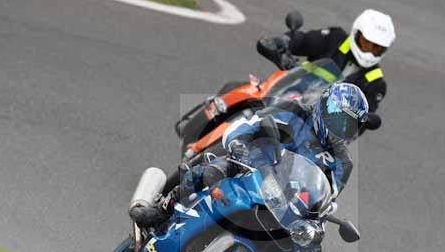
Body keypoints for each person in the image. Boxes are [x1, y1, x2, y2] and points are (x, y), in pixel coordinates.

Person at [130, 83, 370, 228]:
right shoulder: (293, 110)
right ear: (324, 106)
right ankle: (163, 210)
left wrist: (317, 219)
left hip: (286, 201)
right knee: (209, 170)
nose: (339, 127)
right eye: (336, 118)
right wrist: (238, 144)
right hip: (250, 167)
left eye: (347, 125)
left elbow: (327, 200)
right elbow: (250, 124)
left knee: (295, 245)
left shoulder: (343, 163)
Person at [257, 9, 395, 118]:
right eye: (367, 43)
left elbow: (358, 125)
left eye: (376, 48)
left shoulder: (376, 84)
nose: (370, 51)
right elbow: (302, 41)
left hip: (315, 129)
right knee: (252, 97)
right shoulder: (334, 39)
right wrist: (282, 42)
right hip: (285, 96)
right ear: (356, 33)